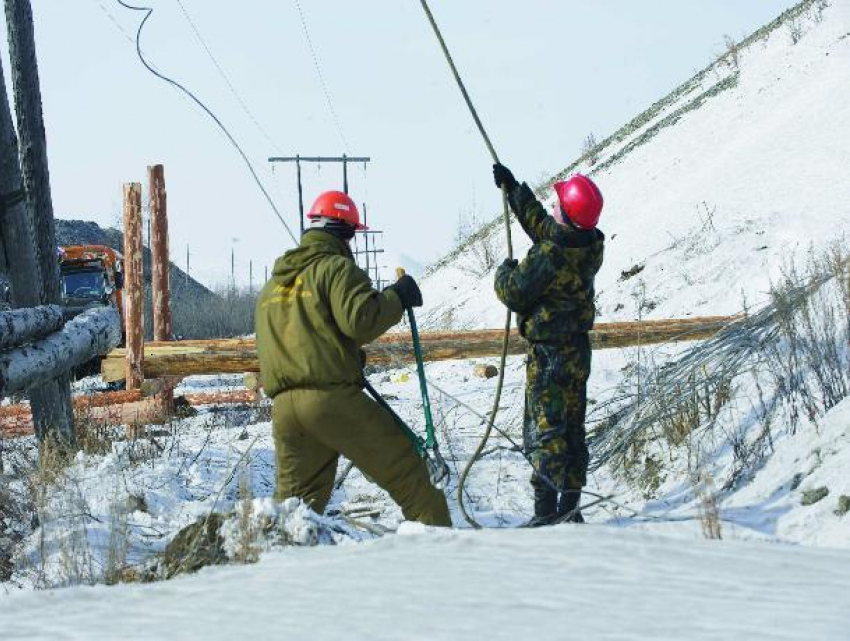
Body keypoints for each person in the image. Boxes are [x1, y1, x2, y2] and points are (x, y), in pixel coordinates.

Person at [255, 189, 452, 527]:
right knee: (409, 473)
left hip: (285, 411)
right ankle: (443, 559)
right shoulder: (336, 269)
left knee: (294, 509)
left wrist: (340, 356)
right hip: (331, 402)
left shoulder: (273, 286)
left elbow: (300, 339)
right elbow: (360, 319)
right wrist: (398, 297)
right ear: (346, 233)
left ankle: (277, 569)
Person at [492, 164, 605, 526]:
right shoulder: (589, 244)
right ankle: (570, 508)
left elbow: (513, 292)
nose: (552, 206)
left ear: (567, 213)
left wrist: (505, 270)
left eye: (558, 204)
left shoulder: (549, 256)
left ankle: (545, 514)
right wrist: (514, 191)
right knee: (572, 429)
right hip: (576, 354)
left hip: (549, 357)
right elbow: (545, 226)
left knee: (546, 432)